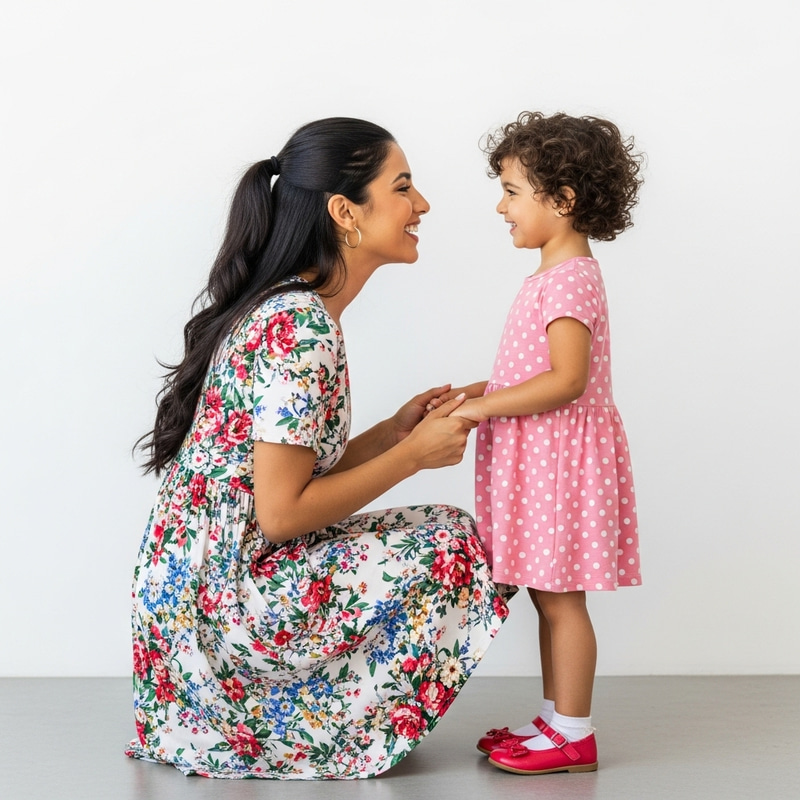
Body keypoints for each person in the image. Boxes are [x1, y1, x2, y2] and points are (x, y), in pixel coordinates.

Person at [127, 117, 512, 780]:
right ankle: (327, 735)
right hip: (222, 609)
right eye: (403, 187)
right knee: (452, 544)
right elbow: (281, 515)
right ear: (344, 212)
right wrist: (412, 455)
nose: (421, 205)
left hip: (197, 598)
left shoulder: (294, 312)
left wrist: (395, 431)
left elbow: (285, 479)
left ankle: (312, 723)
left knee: (446, 533)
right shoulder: (300, 328)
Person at [428, 111, 644, 775]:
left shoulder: (572, 278)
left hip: (561, 464)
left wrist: (482, 409)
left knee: (561, 599)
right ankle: (556, 722)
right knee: (551, 597)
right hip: (547, 459)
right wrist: (476, 392)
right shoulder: (553, 276)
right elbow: (536, 372)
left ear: (564, 199)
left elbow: (567, 380)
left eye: (513, 190)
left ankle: (574, 732)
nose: (501, 205)